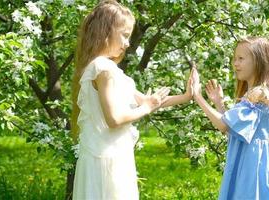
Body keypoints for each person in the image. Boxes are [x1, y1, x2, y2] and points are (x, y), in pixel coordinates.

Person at [70, 1, 194, 199]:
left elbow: (148, 101)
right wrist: (146, 107)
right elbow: (114, 119)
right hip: (106, 159)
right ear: (105, 31)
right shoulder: (103, 69)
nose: (128, 43)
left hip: (109, 154)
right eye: (125, 35)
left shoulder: (105, 68)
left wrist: (187, 96)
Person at [192, 37, 269, 200]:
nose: (235, 63)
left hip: (253, 165)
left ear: (259, 62)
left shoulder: (259, 94)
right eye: (234, 59)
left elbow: (224, 126)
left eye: (241, 59)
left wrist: (197, 96)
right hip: (248, 160)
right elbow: (234, 130)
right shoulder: (253, 93)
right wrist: (219, 104)